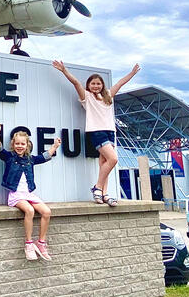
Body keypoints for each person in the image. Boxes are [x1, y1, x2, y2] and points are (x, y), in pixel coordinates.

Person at [52, 60, 141, 206]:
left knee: (104, 164)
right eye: (93, 83)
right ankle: (98, 188)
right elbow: (75, 83)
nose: (96, 86)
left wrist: (131, 73)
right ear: (88, 85)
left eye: (98, 83)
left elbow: (120, 84)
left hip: (110, 132)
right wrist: (64, 70)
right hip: (96, 131)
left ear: (102, 85)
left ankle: (104, 195)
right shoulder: (86, 96)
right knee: (113, 159)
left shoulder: (107, 96)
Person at [0, 125, 60, 261]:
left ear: (27, 145)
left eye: (22, 144)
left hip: (28, 194)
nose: (20, 146)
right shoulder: (10, 157)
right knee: (29, 211)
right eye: (17, 143)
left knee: (46, 212)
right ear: (13, 144)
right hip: (16, 195)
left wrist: (55, 146)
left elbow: (44, 157)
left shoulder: (31, 159)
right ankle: (28, 244)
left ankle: (40, 243)